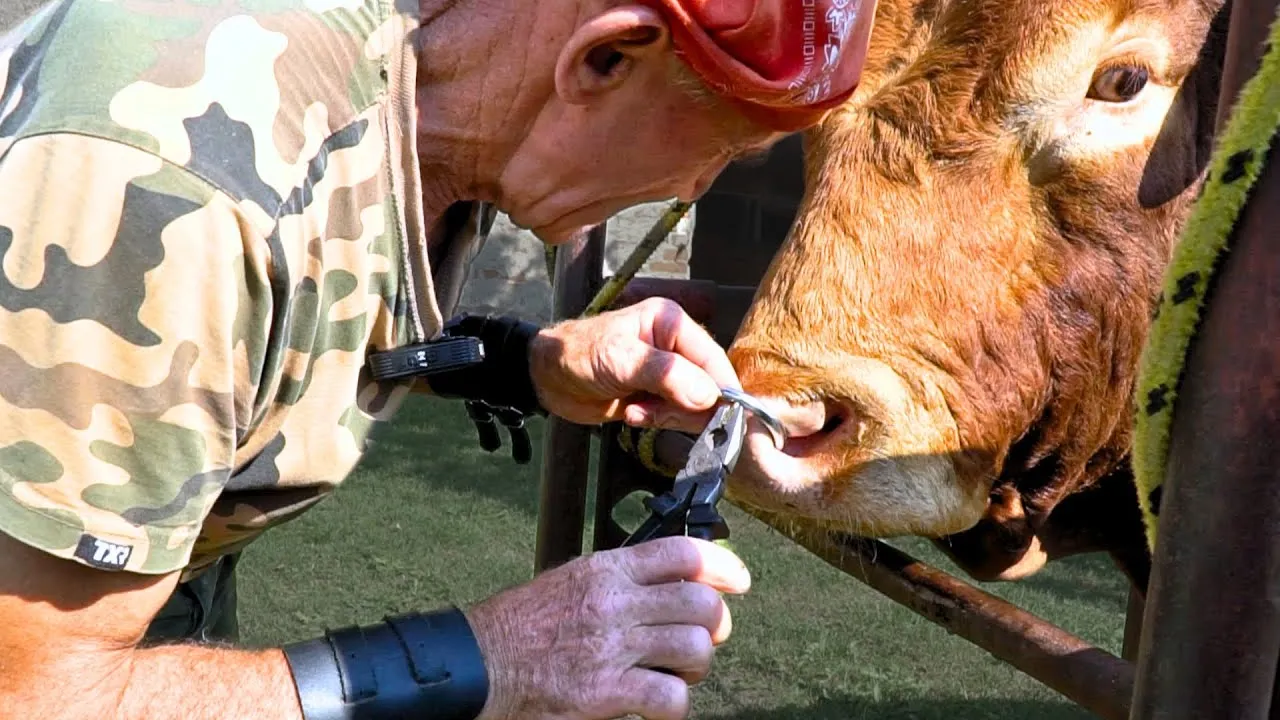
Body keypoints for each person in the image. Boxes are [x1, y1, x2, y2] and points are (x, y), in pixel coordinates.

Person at [0, 0, 875, 718]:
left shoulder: (440, 98)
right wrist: (495, 657)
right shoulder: (172, 182)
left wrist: (529, 363)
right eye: (720, 146)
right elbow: (34, 693)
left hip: (157, 605)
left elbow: (304, 293)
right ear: (606, 58)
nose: (694, 190)